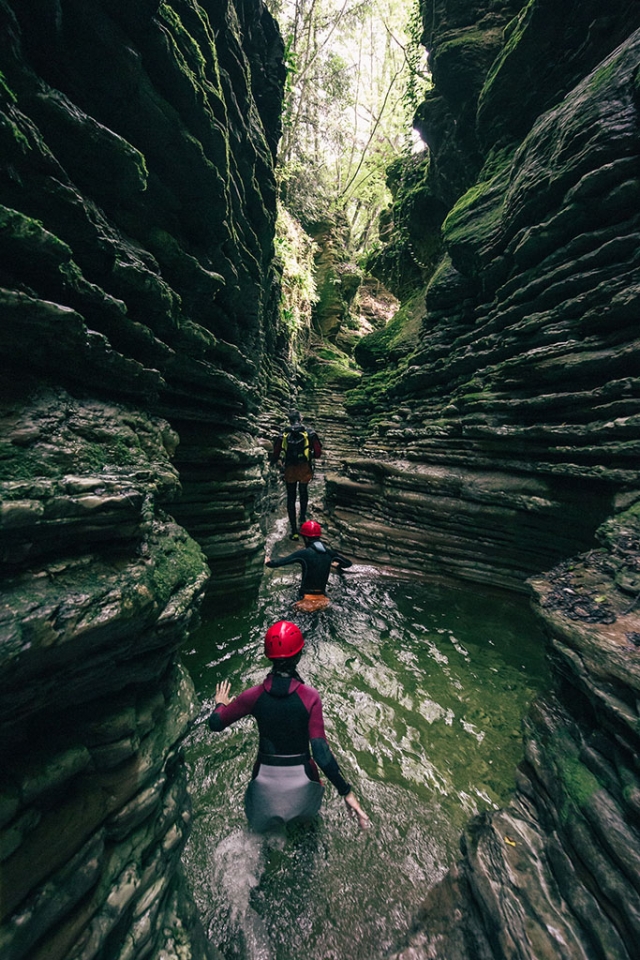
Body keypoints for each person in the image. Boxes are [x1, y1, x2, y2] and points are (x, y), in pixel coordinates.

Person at [208, 620, 369, 833]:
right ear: (299, 655)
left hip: (264, 787)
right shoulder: (310, 697)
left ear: (267, 656)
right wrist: (347, 792)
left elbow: (216, 723)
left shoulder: (252, 697)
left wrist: (221, 703)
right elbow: (321, 753)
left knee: (259, 842)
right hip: (303, 785)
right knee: (307, 837)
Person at [265, 520, 352, 612]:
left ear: (305, 538)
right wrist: (336, 564)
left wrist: (268, 562)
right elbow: (347, 563)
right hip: (323, 599)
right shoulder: (330, 553)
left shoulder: (303, 554)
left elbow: (278, 563)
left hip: (304, 599)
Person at [272, 409, 322, 540]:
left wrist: (276, 461)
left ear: (289, 420)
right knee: (303, 492)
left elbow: (276, 452)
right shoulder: (309, 432)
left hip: (290, 468)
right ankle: (302, 520)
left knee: (291, 497)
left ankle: (293, 531)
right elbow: (318, 453)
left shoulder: (283, 433)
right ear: (300, 419)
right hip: (304, 467)